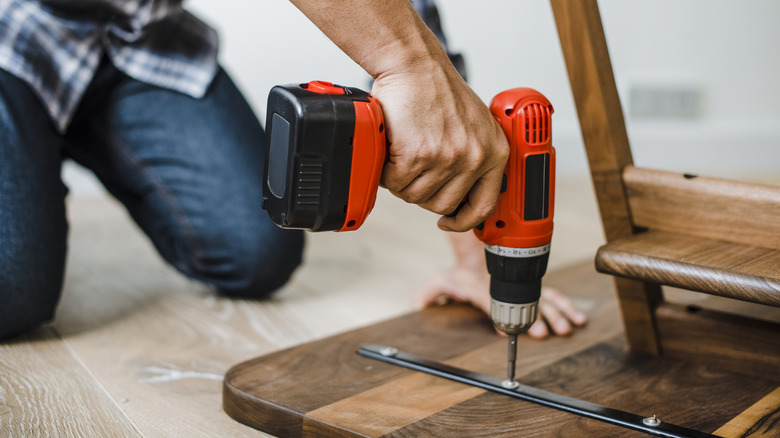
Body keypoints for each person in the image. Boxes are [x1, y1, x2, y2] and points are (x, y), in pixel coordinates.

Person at [0, 0, 584, 340]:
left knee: (257, 254)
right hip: (15, 30)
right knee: (13, 291)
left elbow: (418, 23)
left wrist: (476, 261)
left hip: (139, 39)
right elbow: (412, 61)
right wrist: (407, 64)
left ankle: (51, 139)